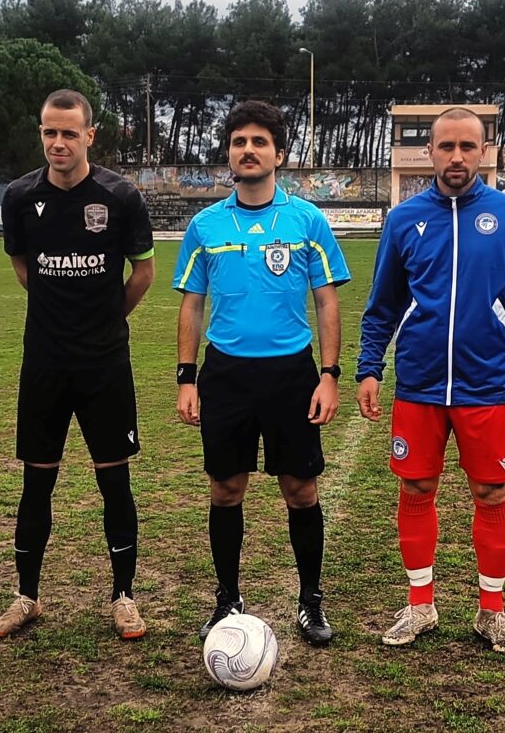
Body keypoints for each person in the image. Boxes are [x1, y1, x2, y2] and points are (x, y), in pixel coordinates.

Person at [356, 106, 505, 656]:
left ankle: (492, 612)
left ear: (484, 151)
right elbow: (382, 305)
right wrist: (370, 367)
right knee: (416, 487)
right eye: (447, 146)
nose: (458, 156)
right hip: (418, 385)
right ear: (430, 153)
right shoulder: (404, 219)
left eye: (468, 146)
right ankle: (421, 605)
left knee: (491, 492)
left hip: (484, 385)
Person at [173, 100, 350, 646]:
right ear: (229, 153)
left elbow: (326, 301)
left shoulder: (306, 220)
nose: (248, 150)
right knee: (226, 488)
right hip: (225, 374)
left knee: (301, 488)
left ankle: (311, 601)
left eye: (259, 142)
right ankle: (228, 599)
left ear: (279, 154)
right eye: (238, 142)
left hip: (292, 373)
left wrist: (329, 374)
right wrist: (186, 376)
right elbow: (192, 304)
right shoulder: (205, 225)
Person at [0, 90, 156, 641]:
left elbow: (143, 274)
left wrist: (104, 319)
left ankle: (124, 597)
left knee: (114, 481)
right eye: (49, 132)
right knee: (36, 483)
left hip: (104, 364)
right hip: (44, 362)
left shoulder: (120, 196)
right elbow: (23, 265)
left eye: (68, 132)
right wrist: (58, 314)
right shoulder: (20, 196)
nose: (57, 142)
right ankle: (26, 596)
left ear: (90, 135)